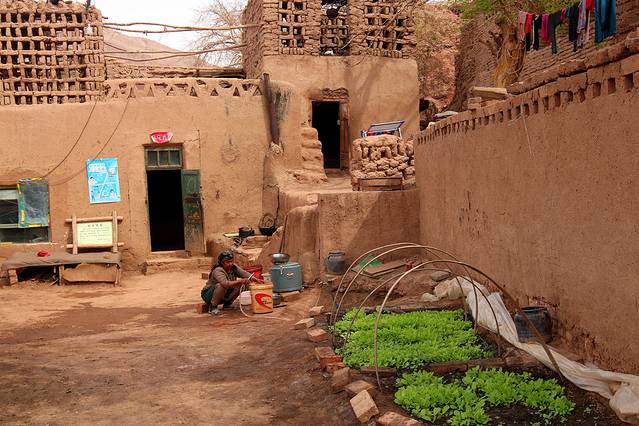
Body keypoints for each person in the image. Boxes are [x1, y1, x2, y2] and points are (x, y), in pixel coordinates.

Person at [201, 251, 262, 315]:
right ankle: (213, 307)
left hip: (223, 294)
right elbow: (225, 283)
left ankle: (227, 303)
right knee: (221, 286)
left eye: (231, 261)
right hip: (209, 294)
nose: (230, 264)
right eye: (227, 262)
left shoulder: (233, 267)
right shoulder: (218, 270)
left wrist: (254, 279)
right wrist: (240, 281)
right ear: (222, 263)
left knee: (243, 284)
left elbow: (244, 273)